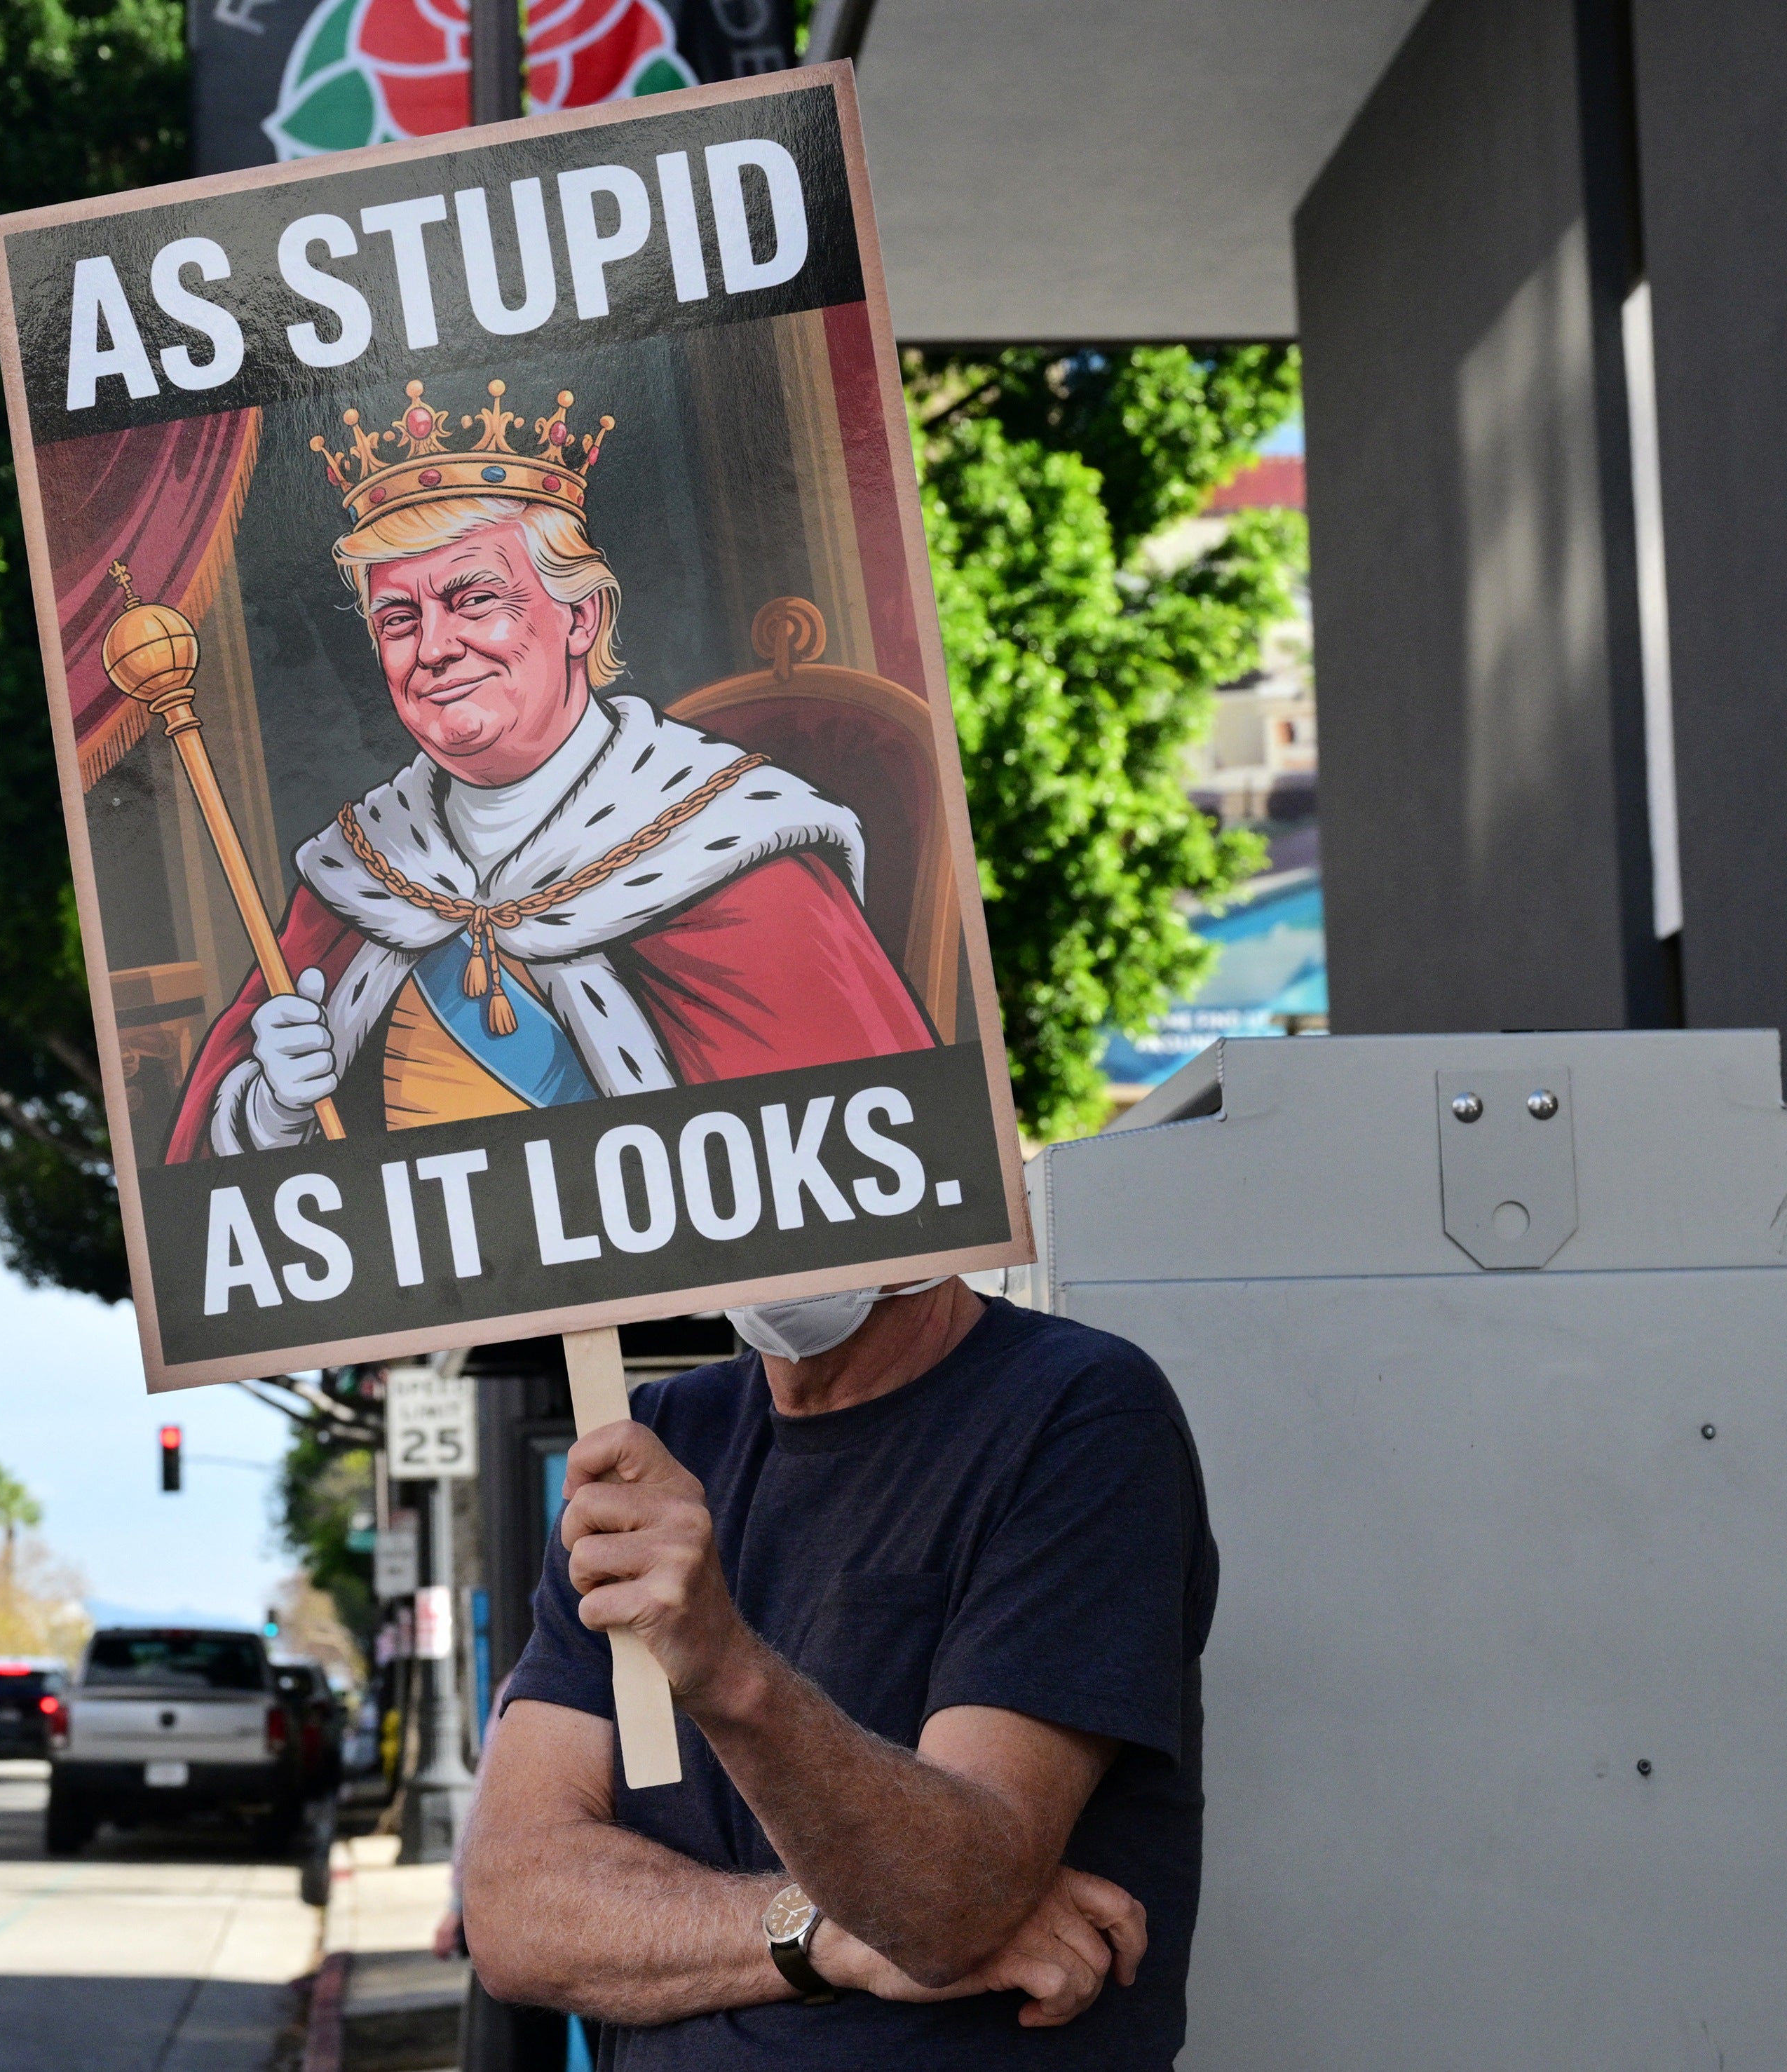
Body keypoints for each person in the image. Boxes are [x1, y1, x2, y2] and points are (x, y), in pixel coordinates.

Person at [169, 374, 930, 1160]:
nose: (432, 648)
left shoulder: (735, 852)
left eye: (473, 600)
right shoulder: (361, 871)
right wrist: (272, 1107)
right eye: (399, 619)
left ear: (580, 617)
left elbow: (868, 1174)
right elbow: (222, 1212)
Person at [460, 1278, 1218, 2067]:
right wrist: (826, 1933)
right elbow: (513, 1912)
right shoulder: (656, 1439)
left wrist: (722, 1665)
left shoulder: (1079, 1410)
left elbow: (948, 1906)